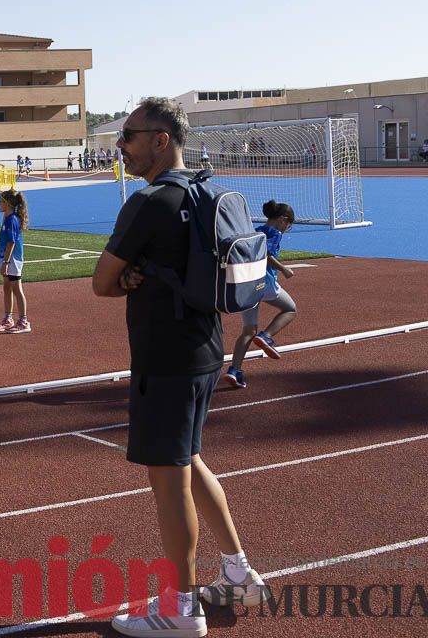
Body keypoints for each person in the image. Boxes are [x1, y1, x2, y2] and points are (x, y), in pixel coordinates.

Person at [92, 97, 268, 637]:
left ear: (161, 138)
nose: (121, 146)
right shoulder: (206, 191)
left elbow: (101, 281)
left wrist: (124, 280)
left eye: (128, 135)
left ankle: (180, 609)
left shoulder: (149, 203)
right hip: (205, 350)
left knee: (169, 482)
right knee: (189, 460)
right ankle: (238, 573)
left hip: (164, 357)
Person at [223, 201, 297, 388]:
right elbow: (267, 254)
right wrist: (284, 269)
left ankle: (235, 370)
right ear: (283, 220)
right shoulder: (275, 233)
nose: (287, 229)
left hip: (247, 284)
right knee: (290, 309)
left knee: (248, 331)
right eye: (289, 226)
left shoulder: (256, 231)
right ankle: (267, 336)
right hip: (264, 283)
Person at [0, 189, 30, 333]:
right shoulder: (7, 218)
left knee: (16, 288)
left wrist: (6, 263)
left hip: (12, 259)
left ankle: (23, 321)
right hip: (6, 258)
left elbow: (11, 242)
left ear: (6, 204)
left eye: (0, 201)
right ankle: (8, 319)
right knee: (7, 287)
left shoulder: (12, 220)